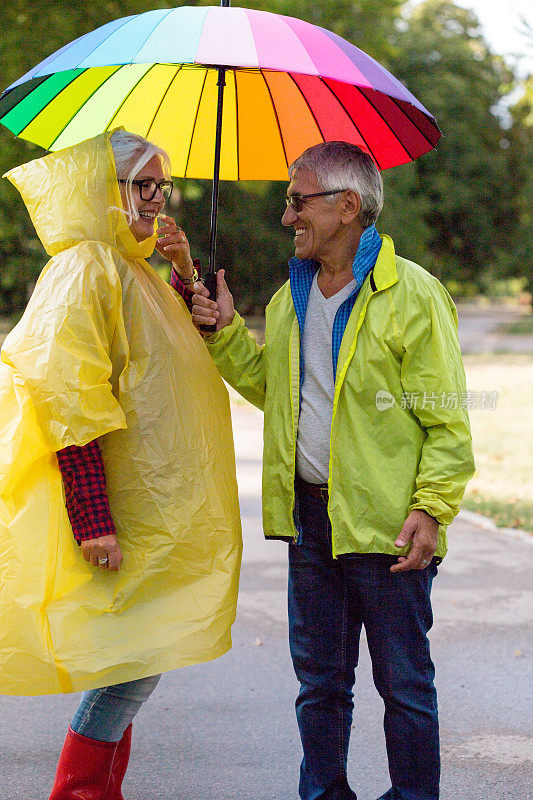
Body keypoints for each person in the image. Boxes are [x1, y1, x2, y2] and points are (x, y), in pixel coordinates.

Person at [190, 141, 475, 800]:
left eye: (297, 201)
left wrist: (430, 507)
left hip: (388, 528)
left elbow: (445, 421)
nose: (288, 216)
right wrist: (226, 333)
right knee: (319, 684)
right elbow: (275, 389)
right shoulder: (289, 298)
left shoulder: (412, 295)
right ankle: (324, 794)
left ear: (347, 207)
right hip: (309, 521)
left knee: (404, 685)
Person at [0, 129, 242, 799]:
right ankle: (78, 793)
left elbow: (171, 351)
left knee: (137, 658)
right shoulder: (83, 269)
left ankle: (98, 792)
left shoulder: (128, 268)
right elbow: (68, 397)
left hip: (147, 508)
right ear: (100, 190)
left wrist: (187, 273)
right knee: (132, 666)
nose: (156, 199)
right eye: (142, 185)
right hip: (115, 510)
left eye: (161, 186)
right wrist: (91, 516)